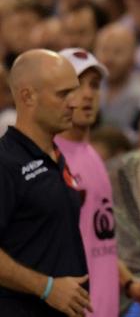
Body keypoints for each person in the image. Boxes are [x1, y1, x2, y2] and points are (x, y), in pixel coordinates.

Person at [0, 49, 91, 316]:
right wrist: (47, 287)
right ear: (27, 96)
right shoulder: (6, 163)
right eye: (63, 94)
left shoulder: (56, 156)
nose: (74, 103)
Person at [54, 48, 119, 317]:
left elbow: (98, 238)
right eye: (77, 85)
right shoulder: (48, 159)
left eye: (94, 85)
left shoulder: (93, 155)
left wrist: (129, 282)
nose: (88, 94)